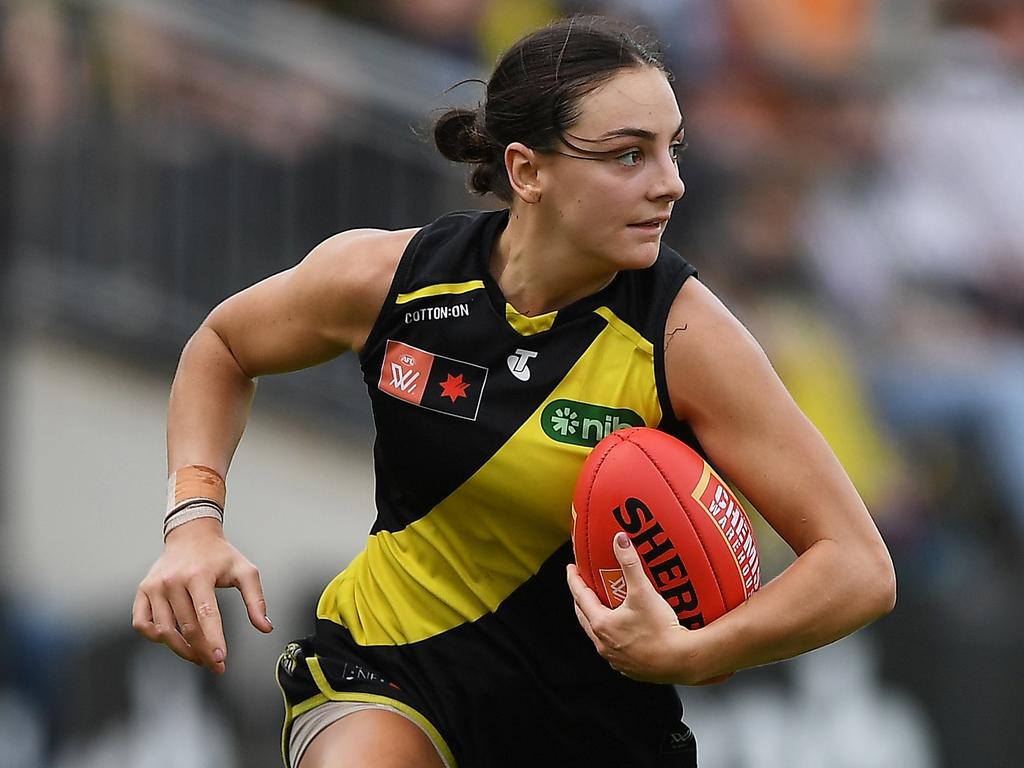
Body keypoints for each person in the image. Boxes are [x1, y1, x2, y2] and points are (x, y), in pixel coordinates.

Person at [131, 15, 896, 768]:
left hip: (593, 729)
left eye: (674, 149)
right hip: (392, 665)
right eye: (629, 155)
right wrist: (193, 521)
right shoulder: (392, 279)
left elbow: (859, 567)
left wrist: (697, 652)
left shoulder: (687, 338)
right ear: (528, 171)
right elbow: (224, 345)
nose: (671, 184)